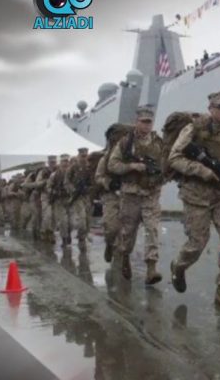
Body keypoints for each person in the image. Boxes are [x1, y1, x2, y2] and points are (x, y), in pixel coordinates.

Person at [168, 91, 220, 309]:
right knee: (197, 243)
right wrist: (203, 171)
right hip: (196, 195)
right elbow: (174, 158)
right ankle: (179, 265)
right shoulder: (194, 128)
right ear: (210, 108)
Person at [107, 107, 165, 284]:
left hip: (151, 195)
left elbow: (166, 165)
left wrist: (159, 178)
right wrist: (132, 166)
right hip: (130, 195)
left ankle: (151, 267)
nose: (147, 125)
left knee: (152, 229)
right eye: (143, 121)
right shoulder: (125, 143)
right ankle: (125, 256)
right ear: (136, 122)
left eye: (149, 122)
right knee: (128, 232)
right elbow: (112, 165)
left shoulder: (159, 143)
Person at [96, 128, 123, 263]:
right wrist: (108, 183)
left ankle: (120, 260)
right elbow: (98, 177)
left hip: (127, 196)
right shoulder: (105, 159)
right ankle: (109, 243)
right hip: (110, 196)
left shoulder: (129, 158)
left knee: (125, 231)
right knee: (111, 228)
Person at [65, 147, 93, 247]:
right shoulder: (73, 168)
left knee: (88, 218)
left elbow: (93, 181)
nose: (84, 158)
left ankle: (83, 236)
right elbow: (66, 181)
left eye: (85, 156)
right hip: (77, 196)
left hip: (87, 196)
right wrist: (73, 190)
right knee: (82, 218)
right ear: (79, 156)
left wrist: (89, 189)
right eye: (82, 156)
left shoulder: (90, 167)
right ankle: (81, 239)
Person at [47, 154, 71, 245]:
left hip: (71, 200)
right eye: (64, 161)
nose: (65, 163)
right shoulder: (54, 175)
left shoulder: (73, 173)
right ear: (60, 163)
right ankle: (64, 238)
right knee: (63, 221)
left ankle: (68, 233)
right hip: (59, 200)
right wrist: (54, 192)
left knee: (72, 222)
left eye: (67, 161)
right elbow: (48, 187)